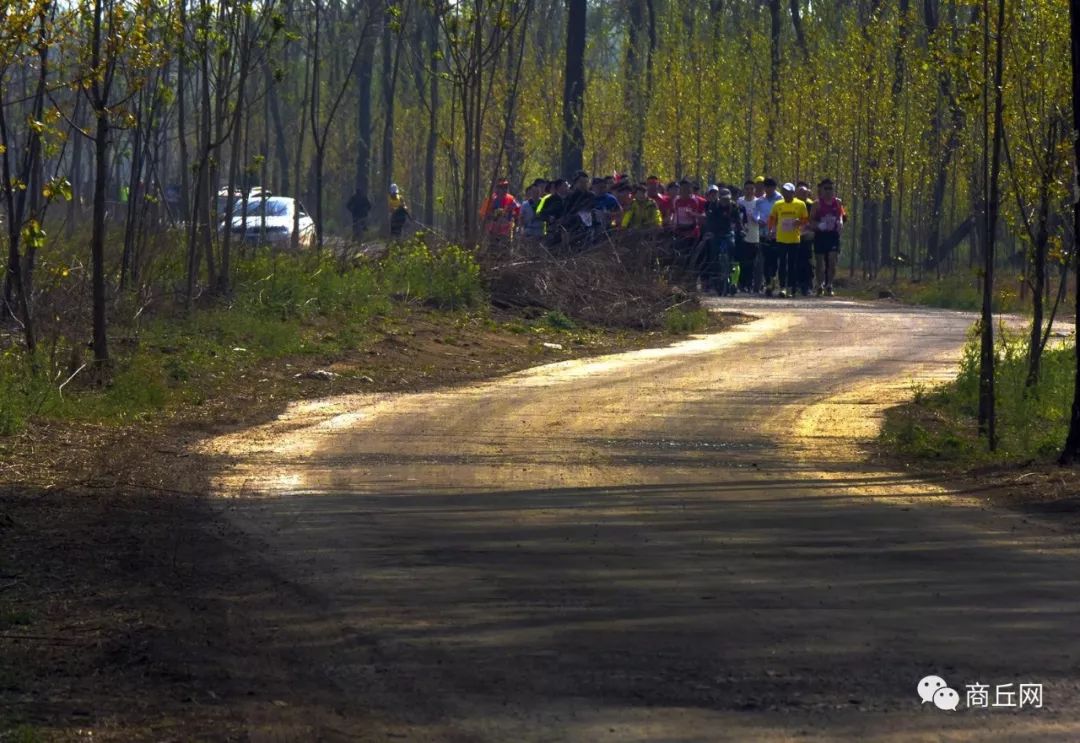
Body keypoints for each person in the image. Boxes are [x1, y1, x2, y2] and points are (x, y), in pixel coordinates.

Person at [767, 182, 809, 298]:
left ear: (793, 192)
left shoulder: (800, 204)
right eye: (784, 191)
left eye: (788, 191)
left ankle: (791, 287)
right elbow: (772, 218)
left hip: (794, 239)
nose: (786, 193)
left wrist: (799, 222)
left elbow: (806, 220)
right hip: (781, 238)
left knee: (792, 264)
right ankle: (782, 287)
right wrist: (771, 230)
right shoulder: (778, 204)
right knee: (782, 264)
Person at [702, 186, 742, 295]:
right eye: (723, 199)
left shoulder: (734, 206)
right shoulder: (713, 206)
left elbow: (738, 221)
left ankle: (733, 279)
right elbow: (709, 221)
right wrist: (709, 232)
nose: (726, 201)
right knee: (714, 253)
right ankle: (715, 278)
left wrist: (741, 230)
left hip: (728, 232)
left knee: (732, 248)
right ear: (719, 198)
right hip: (716, 233)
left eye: (727, 199)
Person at [809, 178, 846, 296]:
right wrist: (819, 225)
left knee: (832, 260)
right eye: (826, 188)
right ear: (821, 189)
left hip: (833, 235)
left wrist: (840, 222)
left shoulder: (838, 202)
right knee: (820, 262)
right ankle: (820, 284)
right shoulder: (816, 204)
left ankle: (829, 285)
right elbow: (811, 221)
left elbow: (841, 214)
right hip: (821, 235)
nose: (829, 191)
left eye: (831, 188)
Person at [755, 178, 783, 295]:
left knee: (775, 259)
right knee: (766, 259)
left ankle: (773, 279)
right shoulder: (760, 200)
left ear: (775, 187)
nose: (768, 189)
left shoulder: (780, 199)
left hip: (777, 234)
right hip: (764, 233)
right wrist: (758, 220)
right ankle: (768, 282)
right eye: (766, 187)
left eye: (771, 187)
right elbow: (755, 213)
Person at [736, 179, 760, 292]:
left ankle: (750, 284)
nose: (749, 191)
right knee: (742, 261)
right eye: (747, 189)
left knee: (751, 262)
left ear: (755, 190)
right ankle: (741, 283)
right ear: (744, 190)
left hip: (754, 235)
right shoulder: (739, 202)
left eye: (751, 189)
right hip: (742, 236)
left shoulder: (758, 202)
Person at [793, 181, 815, 296]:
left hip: (806, 236)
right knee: (794, 260)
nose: (802, 194)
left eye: (804, 192)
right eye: (799, 192)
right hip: (792, 236)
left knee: (807, 261)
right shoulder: (791, 204)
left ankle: (807, 285)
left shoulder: (811, 205)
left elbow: (814, 220)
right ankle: (794, 284)